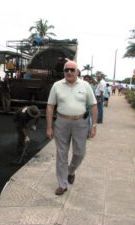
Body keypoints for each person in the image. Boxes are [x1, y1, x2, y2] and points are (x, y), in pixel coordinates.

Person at [46, 60, 97, 195]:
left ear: (77, 72)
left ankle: (71, 171)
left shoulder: (85, 85)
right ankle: (62, 184)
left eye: (72, 70)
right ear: (64, 72)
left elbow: (93, 106)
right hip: (61, 123)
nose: (69, 72)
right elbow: (50, 107)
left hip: (80, 123)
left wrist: (94, 126)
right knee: (62, 154)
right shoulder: (57, 86)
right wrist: (49, 127)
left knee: (80, 153)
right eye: (66, 70)